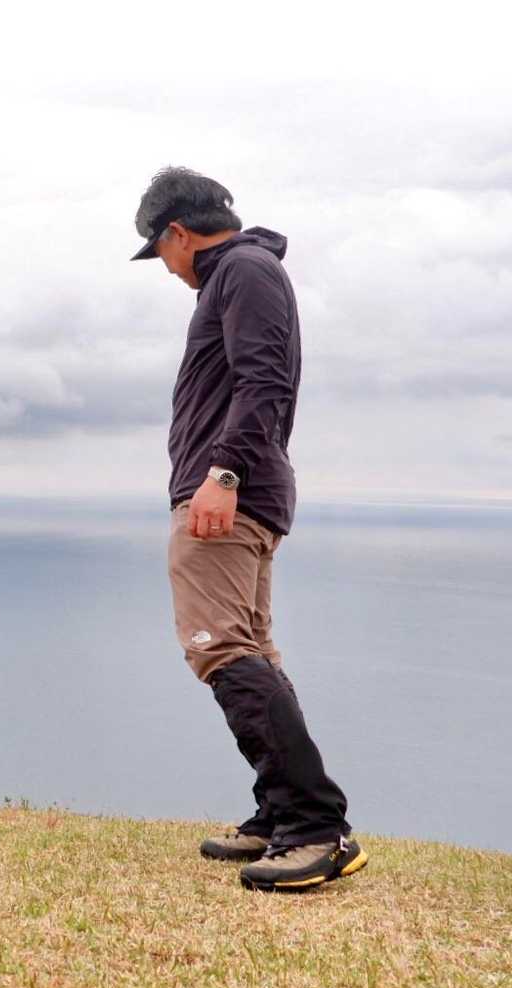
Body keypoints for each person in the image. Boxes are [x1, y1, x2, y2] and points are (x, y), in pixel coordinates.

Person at [131, 167, 366, 891]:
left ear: (178, 233)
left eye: (159, 250)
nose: (166, 268)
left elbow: (264, 379)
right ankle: (280, 812)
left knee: (219, 647)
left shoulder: (241, 270)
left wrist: (223, 473)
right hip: (243, 489)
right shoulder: (245, 272)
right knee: (251, 648)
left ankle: (316, 826)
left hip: (230, 492)